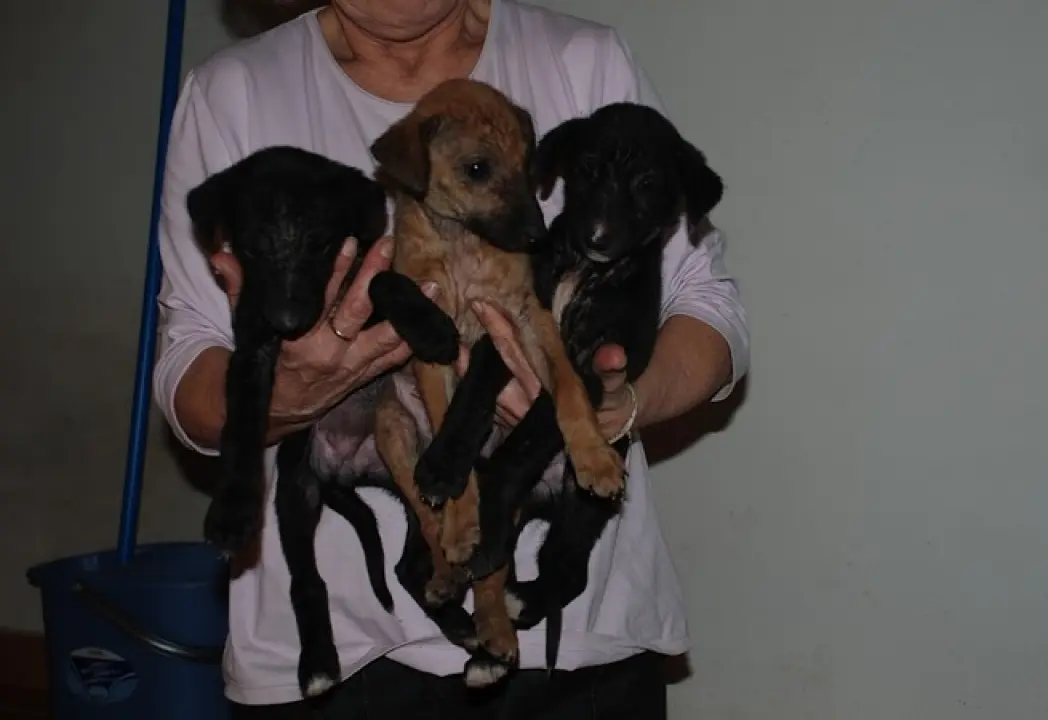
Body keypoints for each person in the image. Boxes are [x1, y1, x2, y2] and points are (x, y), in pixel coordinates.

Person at [154, 0, 749, 717]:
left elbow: (708, 309)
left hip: (578, 643)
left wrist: (617, 406)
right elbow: (188, 377)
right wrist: (288, 392)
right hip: (342, 654)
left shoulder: (580, 59)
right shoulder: (235, 92)